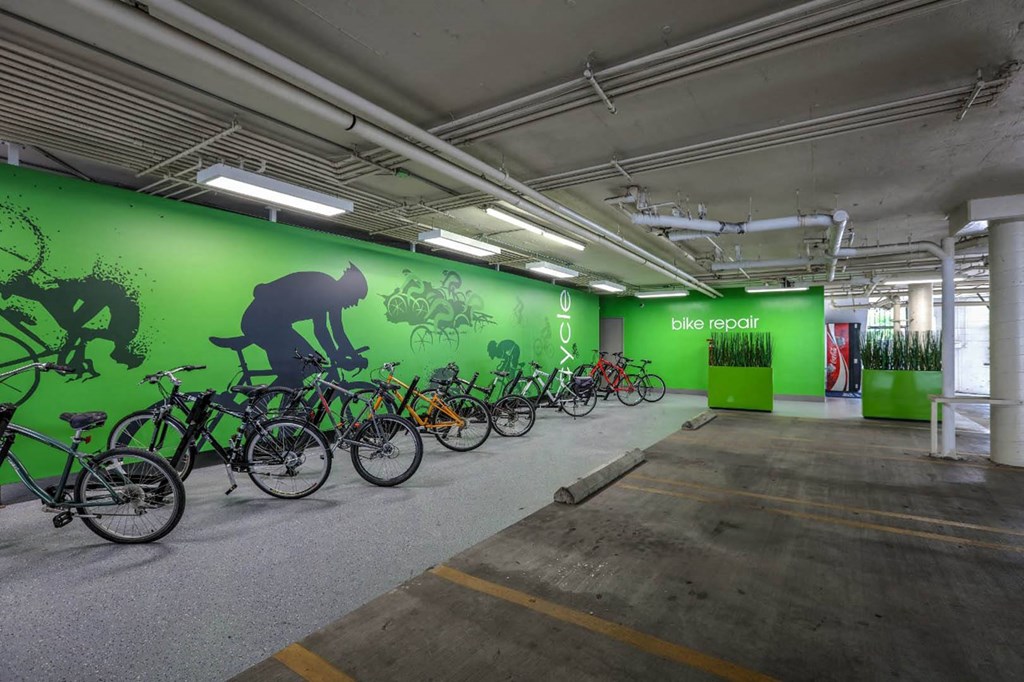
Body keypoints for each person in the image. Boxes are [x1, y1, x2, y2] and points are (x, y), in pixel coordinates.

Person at [235, 263, 369, 387]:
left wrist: (353, 357)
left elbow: (336, 332)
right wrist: (338, 356)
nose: (355, 303)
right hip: (260, 321)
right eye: (356, 297)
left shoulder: (331, 295)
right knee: (307, 366)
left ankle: (275, 405)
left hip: (274, 324)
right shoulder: (326, 289)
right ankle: (259, 405)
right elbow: (322, 331)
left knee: (303, 370)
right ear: (347, 289)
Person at [0, 270, 143, 378]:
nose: (119, 362)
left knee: (62, 309)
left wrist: (66, 358)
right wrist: (62, 361)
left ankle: (22, 287)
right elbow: (82, 333)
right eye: (124, 362)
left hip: (103, 293)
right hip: (103, 294)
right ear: (127, 355)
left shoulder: (123, 336)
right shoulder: (124, 336)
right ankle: (23, 286)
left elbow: (85, 334)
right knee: (68, 321)